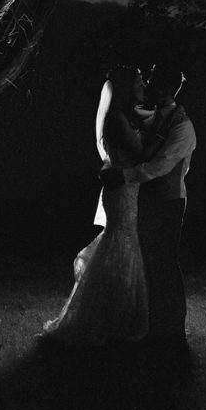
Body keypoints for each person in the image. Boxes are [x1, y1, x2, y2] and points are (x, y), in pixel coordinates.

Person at [41, 66, 150, 347]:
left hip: (125, 188)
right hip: (122, 189)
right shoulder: (118, 119)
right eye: (139, 80)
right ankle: (111, 315)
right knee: (122, 239)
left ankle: (117, 311)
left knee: (122, 240)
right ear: (127, 86)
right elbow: (140, 154)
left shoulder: (123, 116)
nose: (144, 84)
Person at [100, 63, 196, 350]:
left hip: (169, 202)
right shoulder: (155, 117)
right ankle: (153, 328)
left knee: (165, 265)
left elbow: (160, 166)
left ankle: (174, 332)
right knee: (150, 267)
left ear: (164, 89)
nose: (147, 87)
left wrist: (122, 175)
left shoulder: (183, 126)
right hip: (147, 201)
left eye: (151, 82)